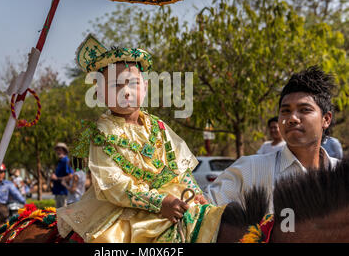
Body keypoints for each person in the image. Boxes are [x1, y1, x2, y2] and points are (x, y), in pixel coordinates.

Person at [56, 34, 224, 243]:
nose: (126, 92)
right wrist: (159, 202)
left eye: (133, 84)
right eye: (116, 86)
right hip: (124, 210)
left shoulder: (159, 127)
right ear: (99, 94)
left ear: (145, 87)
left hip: (177, 200)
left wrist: (196, 193)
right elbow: (114, 184)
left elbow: (181, 169)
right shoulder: (101, 134)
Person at [206, 66, 340, 212]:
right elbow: (202, 208)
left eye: (304, 110)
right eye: (285, 111)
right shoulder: (250, 170)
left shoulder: (341, 177)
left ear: (326, 119)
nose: (292, 118)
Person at [51, 143, 73, 208]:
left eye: (60, 150)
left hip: (63, 192)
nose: (58, 152)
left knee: (62, 215)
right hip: (58, 192)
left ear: (64, 151)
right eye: (57, 150)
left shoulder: (65, 161)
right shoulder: (60, 161)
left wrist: (57, 178)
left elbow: (70, 176)